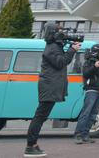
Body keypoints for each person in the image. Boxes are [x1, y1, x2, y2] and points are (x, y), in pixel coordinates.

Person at [25, 22, 81, 158]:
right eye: (59, 31)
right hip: (49, 86)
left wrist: (69, 47)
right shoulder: (52, 48)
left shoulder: (54, 46)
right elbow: (61, 62)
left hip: (50, 86)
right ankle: (30, 146)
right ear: (53, 33)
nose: (62, 33)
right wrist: (72, 50)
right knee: (40, 116)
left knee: (41, 116)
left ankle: (33, 144)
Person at [73, 44, 99, 144]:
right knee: (86, 112)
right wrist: (94, 66)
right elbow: (86, 74)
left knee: (93, 114)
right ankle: (78, 135)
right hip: (92, 89)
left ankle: (85, 135)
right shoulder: (89, 62)